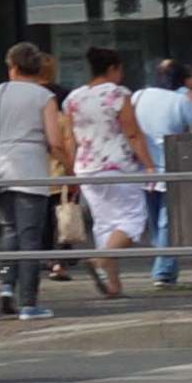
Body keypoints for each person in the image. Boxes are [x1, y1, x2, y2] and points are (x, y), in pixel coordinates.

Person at [0, 40, 72, 318]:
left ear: (13, 67)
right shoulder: (44, 98)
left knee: (9, 232)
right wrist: (69, 168)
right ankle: (29, 302)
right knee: (30, 238)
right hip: (30, 172)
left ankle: (6, 285)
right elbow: (55, 142)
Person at [65, 45, 154, 297]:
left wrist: (71, 169)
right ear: (113, 68)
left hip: (86, 167)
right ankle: (99, 261)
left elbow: (69, 138)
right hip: (118, 165)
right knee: (132, 221)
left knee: (105, 224)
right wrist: (148, 164)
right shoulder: (118, 94)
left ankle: (113, 285)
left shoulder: (73, 98)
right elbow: (132, 132)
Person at [137, 58, 192, 291]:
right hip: (171, 165)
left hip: (144, 166)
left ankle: (165, 263)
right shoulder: (180, 100)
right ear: (183, 79)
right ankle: (163, 270)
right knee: (167, 222)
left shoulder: (139, 96)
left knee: (156, 222)